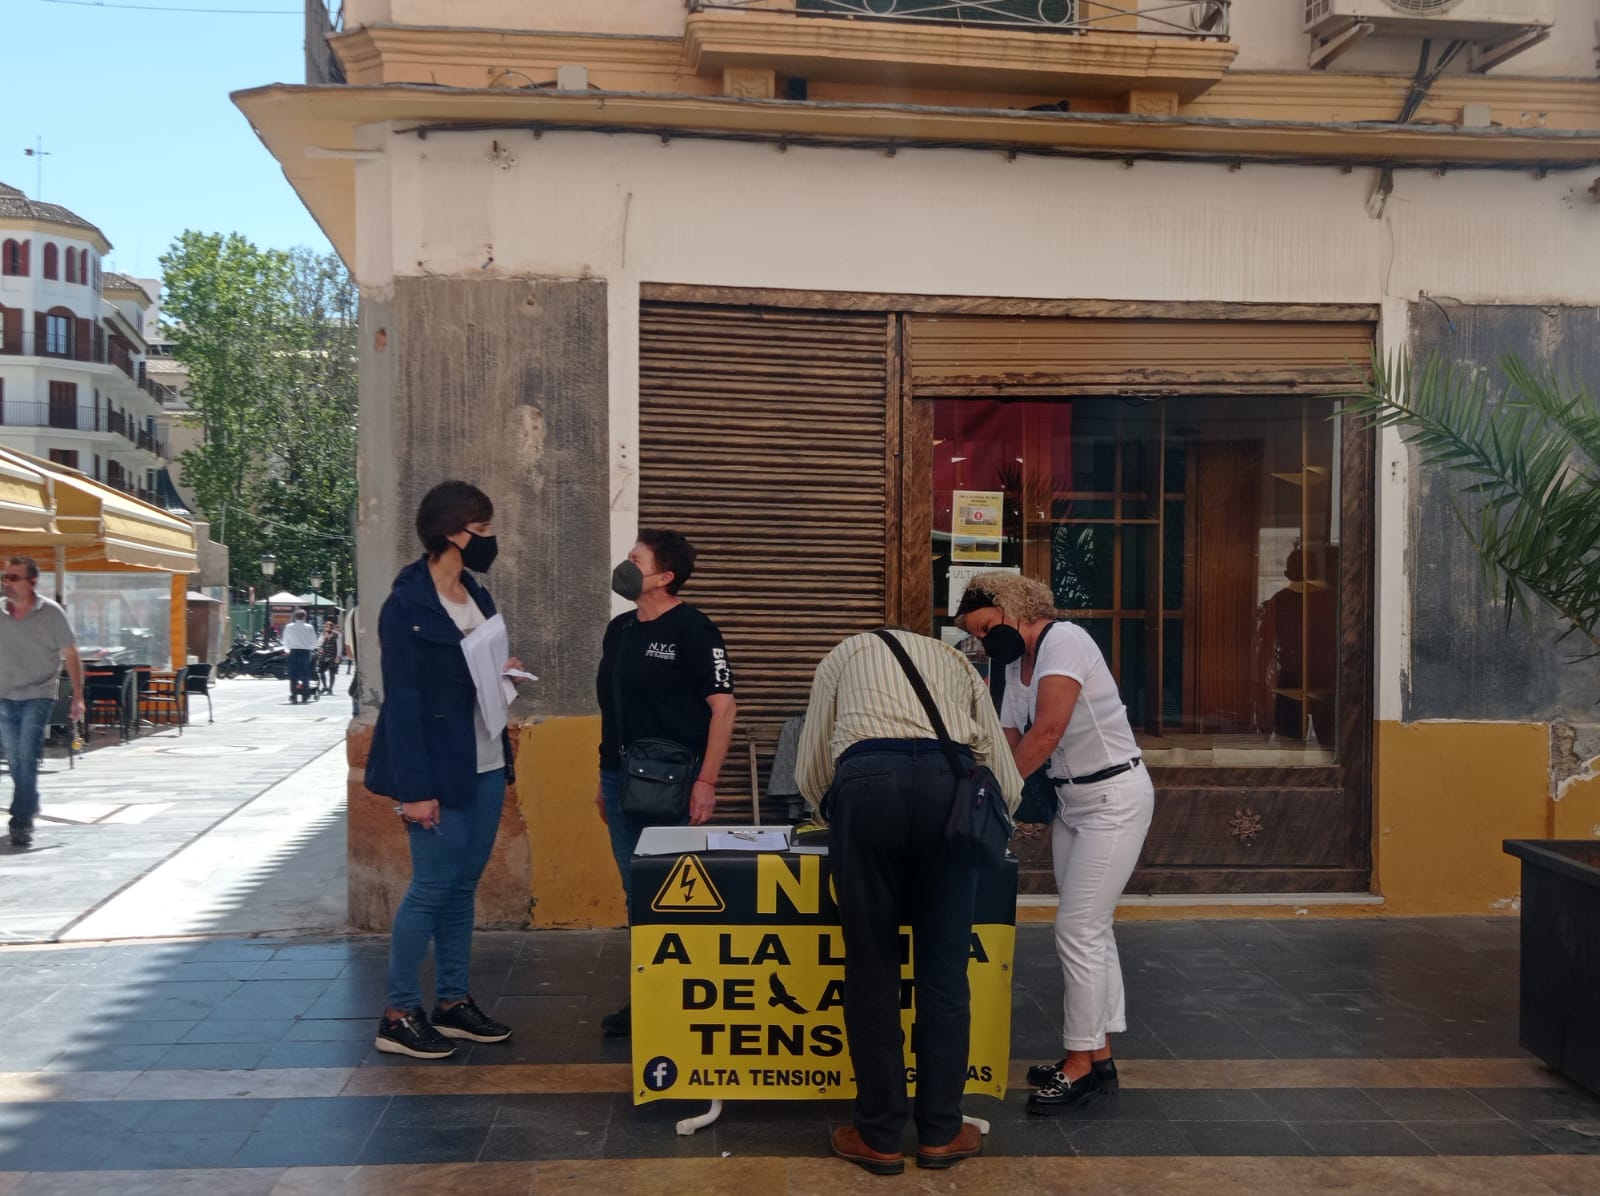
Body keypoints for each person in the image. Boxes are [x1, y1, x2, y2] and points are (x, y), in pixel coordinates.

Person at [796, 627, 1021, 1175]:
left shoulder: (843, 651)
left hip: (869, 782)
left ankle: (878, 1136)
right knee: (945, 972)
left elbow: (814, 763)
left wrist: (834, 812)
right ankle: (942, 1132)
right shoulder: (959, 663)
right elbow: (1001, 772)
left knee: (871, 968)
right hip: (951, 787)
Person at [955, 573, 1153, 1115]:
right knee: (1092, 927)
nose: (984, 641)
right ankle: (1100, 1054)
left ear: (1013, 607)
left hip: (1114, 796)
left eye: (987, 627)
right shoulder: (1015, 665)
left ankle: (1078, 1066)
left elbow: (1047, 733)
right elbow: (1011, 737)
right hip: (1074, 802)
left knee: (1077, 928)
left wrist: (992, 798)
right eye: (976, 636)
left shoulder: (1065, 641)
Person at [365, 480, 522, 1059]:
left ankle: (452, 1002)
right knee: (431, 887)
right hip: (435, 767)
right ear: (451, 533)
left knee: (461, 885)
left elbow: (473, 670)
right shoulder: (404, 607)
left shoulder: (475, 595)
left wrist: (504, 673)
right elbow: (403, 705)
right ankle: (399, 1013)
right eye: (481, 530)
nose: (489, 540)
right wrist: (416, 791)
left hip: (483, 758)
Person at [594, 528, 735, 1037]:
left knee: (672, 891)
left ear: (665, 576)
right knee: (636, 891)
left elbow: (723, 708)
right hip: (620, 779)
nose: (625, 565)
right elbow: (612, 710)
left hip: (674, 783)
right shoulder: (621, 629)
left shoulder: (695, 630)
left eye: (636, 559)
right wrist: (602, 777)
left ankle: (682, 994)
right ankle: (648, 994)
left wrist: (707, 782)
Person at [0, 557, 85, 850]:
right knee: (15, 758)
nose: (6, 582)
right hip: (3, 696)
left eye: (13, 577)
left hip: (39, 693)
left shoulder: (51, 613)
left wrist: (78, 696)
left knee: (26, 752)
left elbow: (71, 655)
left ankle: (20, 821)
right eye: (5, 577)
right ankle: (30, 800)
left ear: (32, 582)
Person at [281, 608, 320, 704]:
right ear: (304, 617)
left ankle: (294, 696)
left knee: (293, 675)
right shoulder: (309, 627)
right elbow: (314, 642)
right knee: (305, 674)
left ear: (295, 617)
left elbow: (285, 640)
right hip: (306, 653)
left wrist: (287, 649)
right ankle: (305, 696)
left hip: (292, 652)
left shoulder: (289, 627)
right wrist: (311, 648)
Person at [316, 616, 343, 695]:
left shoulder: (337, 635)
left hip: (333, 656)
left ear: (331, 627)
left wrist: (338, 656)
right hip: (324, 656)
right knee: (321, 671)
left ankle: (330, 689)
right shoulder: (323, 634)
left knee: (332, 673)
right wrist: (319, 648)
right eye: (325, 626)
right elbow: (318, 643)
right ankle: (324, 687)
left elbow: (339, 646)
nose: (325, 627)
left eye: (327, 626)